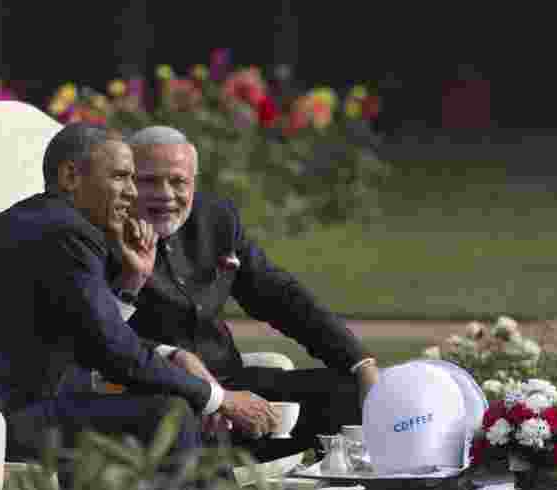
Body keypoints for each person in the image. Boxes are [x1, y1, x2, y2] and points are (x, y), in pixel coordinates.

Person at [0, 123, 279, 476]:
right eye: (122, 177)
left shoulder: (43, 222)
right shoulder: (65, 233)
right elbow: (113, 353)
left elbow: (89, 333)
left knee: (162, 407)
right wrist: (219, 398)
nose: (131, 192)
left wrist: (131, 282)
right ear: (71, 176)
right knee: (166, 414)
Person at [114, 125, 380, 461]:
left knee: (346, 393)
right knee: (177, 420)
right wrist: (208, 397)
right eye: (149, 181)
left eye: (178, 181)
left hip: (232, 383)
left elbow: (280, 296)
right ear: (127, 183)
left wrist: (359, 361)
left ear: (194, 182)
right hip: (161, 396)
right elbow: (104, 334)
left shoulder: (217, 220)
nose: (166, 194)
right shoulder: (105, 235)